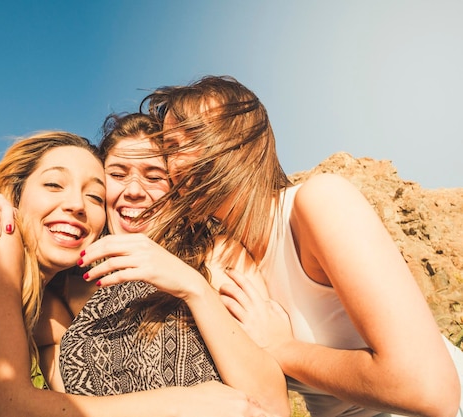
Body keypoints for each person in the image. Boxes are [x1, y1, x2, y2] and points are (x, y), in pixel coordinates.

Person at [0, 130, 264, 417]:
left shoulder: (37, 302)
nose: (77, 204)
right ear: (16, 194)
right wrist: (187, 403)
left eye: (95, 196)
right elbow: (10, 404)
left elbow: (61, 399)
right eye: (54, 185)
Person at [128, 75, 461, 417]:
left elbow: (429, 390)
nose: (178, 163)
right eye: (171, 147)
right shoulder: (225, 258)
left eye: (195, 137)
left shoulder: (317, 203)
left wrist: (283, 349)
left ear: (247, 140)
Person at [0, 113, 290, 417]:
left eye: (154, 175)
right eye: (118, 174)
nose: (135, 190)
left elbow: (272, 404)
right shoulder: (65, 279)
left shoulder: (213, 253)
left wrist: (193, 286)